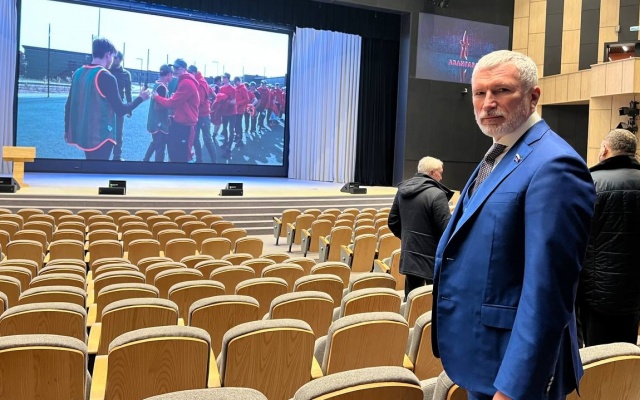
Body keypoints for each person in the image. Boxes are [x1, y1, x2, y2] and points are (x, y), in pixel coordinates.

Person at [432, 50, 595, 400]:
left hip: (515, 373)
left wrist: (514, 388)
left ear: (533, 96)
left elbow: (548, 292)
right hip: (486, 356)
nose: (488, 103)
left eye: (501, 90)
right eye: (480, 93)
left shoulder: (554, 165)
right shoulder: (500, 153)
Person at [578, 129, 640, 347]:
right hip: (634, 292)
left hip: (595, 290)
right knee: (627, 349)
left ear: (604, 149)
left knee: (597, 353)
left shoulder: (589, 183)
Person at [65, 38, 150, 160]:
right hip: (101, 136)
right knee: (99, 169)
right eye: (113, 56)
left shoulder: (78, 73)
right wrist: (141, 98)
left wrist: (67, 130)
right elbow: (120, 110)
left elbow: (68, 105)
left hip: (84, 134)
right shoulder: (105, 76)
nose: (112, 60)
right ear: (107, 54)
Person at [388, 156, 452, 299]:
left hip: (410, 254)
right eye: (440, 173)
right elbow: (446, 229)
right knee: (430, 302)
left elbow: (392, 221)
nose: (441, 177)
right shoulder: (437, 195)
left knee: (411, 300)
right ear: (432, 172)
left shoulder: (402, 190)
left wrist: (408, 238)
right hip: (431, 257)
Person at [153, 58, 199, 163]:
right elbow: (180, 101)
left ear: (184, 69)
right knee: (175, 151)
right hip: (182, 121)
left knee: (181, 156)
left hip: (185, 124)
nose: (175, 70)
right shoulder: (184, 80)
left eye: (177, 68)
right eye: (174, 67)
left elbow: (171, 103)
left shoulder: (186, 83)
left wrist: (157, 97)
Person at [143, 64, 172, 162]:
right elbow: (158, 106)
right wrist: (169, 104)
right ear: (168, 74)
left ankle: (145, 159)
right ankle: (158, 167)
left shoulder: (157, 84)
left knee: (155, 142)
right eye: (171, 75)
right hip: (159, 123)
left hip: (155, 121)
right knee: (160, 148)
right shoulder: (162, 87)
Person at [188, 65, 216, 163]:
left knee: (207, 139)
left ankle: (214, 162)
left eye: (190, 72)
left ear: (194, 72)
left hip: (203, 115)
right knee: (195, 138)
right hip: (197, 114)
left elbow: (198, 101)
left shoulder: (200, 82)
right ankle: (199, 160)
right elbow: (212, 93)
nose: (188, 74)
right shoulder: (199, 80)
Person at [109, 51, 132, 161]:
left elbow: (128, 92)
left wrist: (130, 108)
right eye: (113, 57)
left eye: (116, 58)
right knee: (104, 131)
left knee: (118, 132)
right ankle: (103, 156)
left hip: (119, 106)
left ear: (120, 59)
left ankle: (117, 156)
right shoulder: (107, 71)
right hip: (106, 106)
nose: (114, 59)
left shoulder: (126, 74)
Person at [233, 76, 250, 146]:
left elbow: (247, 99)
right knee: (235, 124)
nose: (235, 83)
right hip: (235, 109)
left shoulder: (243, 88)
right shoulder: (235, 88)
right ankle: (237, 136)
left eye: (235, 82)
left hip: (240, 110)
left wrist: (238, 104)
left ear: (239, 81)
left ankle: (240, 139)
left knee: (238, 124)